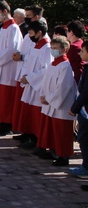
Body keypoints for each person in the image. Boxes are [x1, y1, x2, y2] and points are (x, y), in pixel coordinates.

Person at [37, 36, 77, 166]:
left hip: (60, 105)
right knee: (52, 129)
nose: (53, 51)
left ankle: (64, 156)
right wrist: (43, 95)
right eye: (52, 48)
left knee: (62, 131)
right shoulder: (52, 64)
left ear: (64, 49)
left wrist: (49, 99)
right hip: (49, 103)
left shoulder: (65, 66)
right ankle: (53, 150)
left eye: (55, 48)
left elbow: (63, 88)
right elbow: (45, 82)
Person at [12, 21, 51, 149]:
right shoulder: (36, 46)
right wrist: (24, 76)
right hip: (30, 83)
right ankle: (30, 136)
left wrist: (29, 78)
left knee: (37, 113)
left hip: (37, 86)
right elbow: (28, 62)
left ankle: (37, 140)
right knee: (30, 111)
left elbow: (46, 69)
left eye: (31, 33)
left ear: (39, 33)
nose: (29, 35)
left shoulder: (47, 48)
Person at [0, 1, 22, 135]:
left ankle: (7, 123)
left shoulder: (13, 28)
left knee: (6, 98)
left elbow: (11, 49)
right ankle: (2, 121)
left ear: (5, 11)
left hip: (8, 69)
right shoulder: (4, 27)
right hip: (0, 67)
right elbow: (0, 47)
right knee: (0, 97)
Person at [67, 41, 88, 178]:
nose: (80, 53)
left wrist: (75, 107)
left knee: (84, 138)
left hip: (86, 110)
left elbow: (86, 92)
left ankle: (86, 167)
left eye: (82, 51)